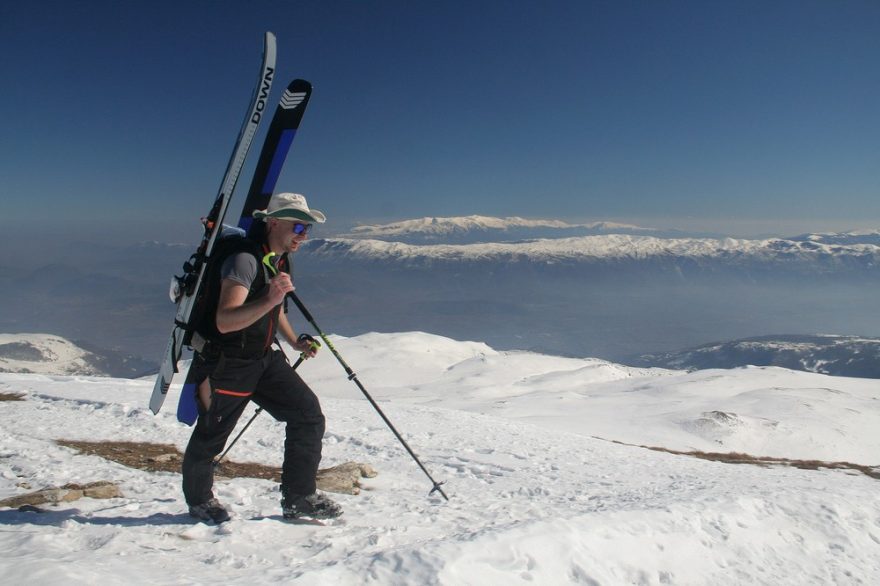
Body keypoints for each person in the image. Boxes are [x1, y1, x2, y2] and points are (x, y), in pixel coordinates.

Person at [181, 192, 342, 523]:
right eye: (298, 226)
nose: (304, 235)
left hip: (261, 358)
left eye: (307, 229)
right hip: (227, 363)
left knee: (308, 414)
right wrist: (271, 298)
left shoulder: (278, 259)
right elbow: (225, 321)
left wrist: (295, 340)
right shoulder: (246, 260)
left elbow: (275, 310)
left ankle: (299, 498)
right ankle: (199, 501)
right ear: (272, 222)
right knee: (212, 435)